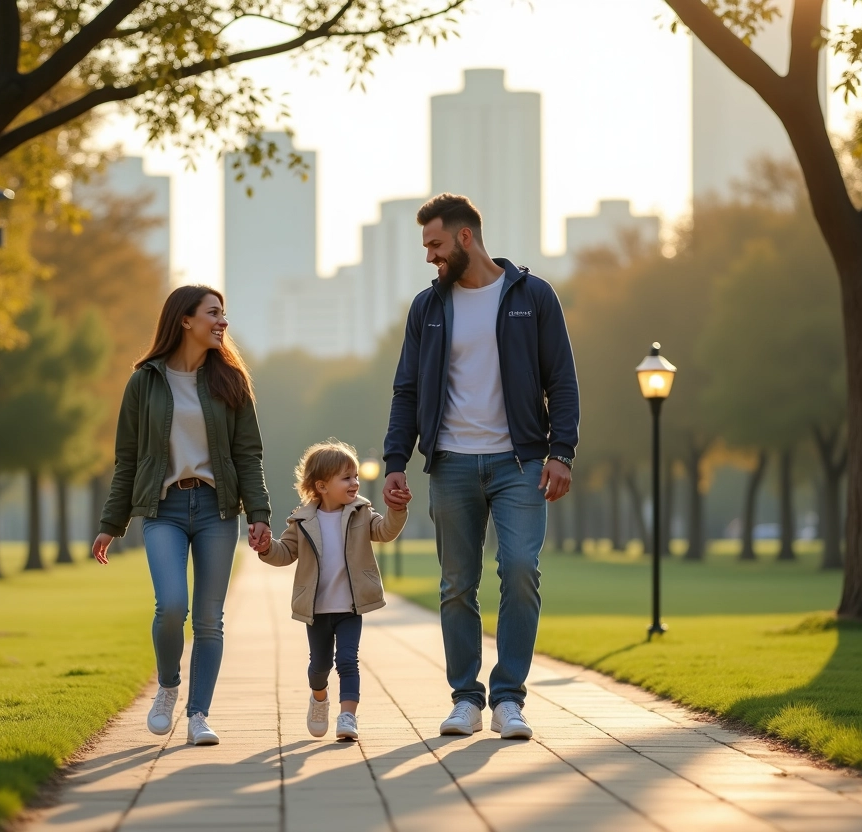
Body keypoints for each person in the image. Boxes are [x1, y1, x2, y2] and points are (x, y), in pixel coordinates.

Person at [382, 194, 579, 740]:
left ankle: (509, 699)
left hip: (520, 463)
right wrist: (395, 460)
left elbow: (561, 379)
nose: (430, 257)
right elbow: (407, 389)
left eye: (436, 245)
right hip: (451, 464)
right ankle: (465, 700)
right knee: (456, 585)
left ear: (465, 238)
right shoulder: (428, 308)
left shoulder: (532, 297)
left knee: (519, 570)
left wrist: (562, 452)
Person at [93, 285, 272, 746]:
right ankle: (169, 686)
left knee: (209, 618)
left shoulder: (231, 380)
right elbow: (127, 459)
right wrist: (112, 525)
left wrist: (259, 513)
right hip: (164, 509)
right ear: (185, 320)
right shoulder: (144, 382)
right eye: (213, 313)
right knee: (172, 606)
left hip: (216, 510)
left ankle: (199, 715)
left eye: (224, 314)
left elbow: (247, 454)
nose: (222, 322)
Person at [255, 440, 408, 741]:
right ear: (322, 485)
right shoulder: (301, 521)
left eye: (355, 476)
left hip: (351, 606)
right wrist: (265, 548)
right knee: (319, 666)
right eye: (346, 477)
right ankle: (319, 698)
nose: (355, 483)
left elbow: (385, 531)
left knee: (348, 660)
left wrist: (397, 509)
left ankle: (348, 716)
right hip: (317, 609)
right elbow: (284, 553)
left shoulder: (361, 513)